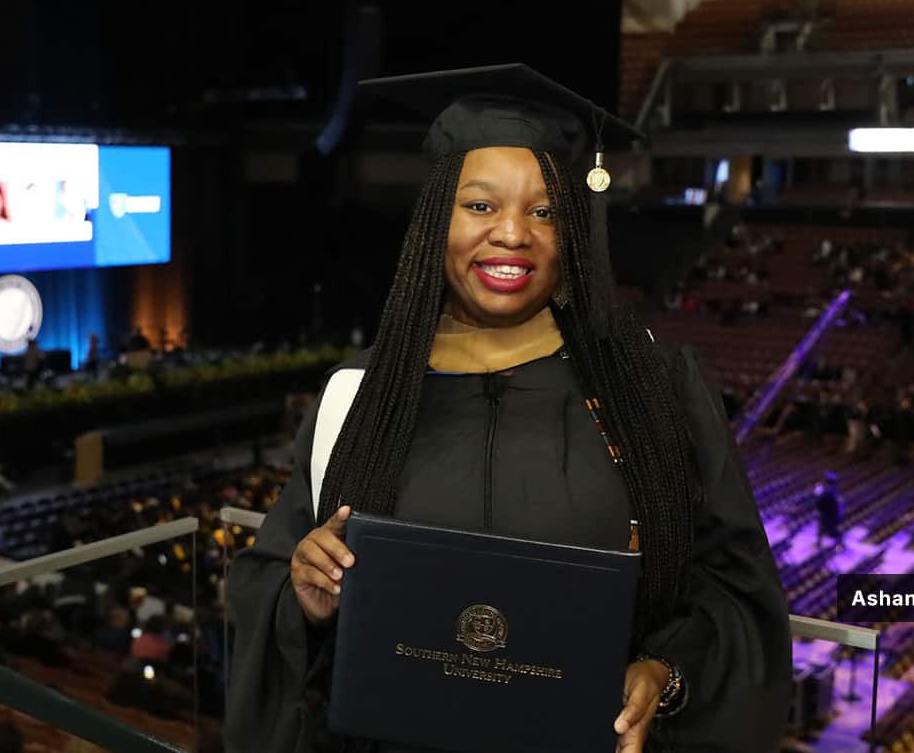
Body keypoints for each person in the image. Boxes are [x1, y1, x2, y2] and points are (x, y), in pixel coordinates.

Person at [226, 65, 790, 753]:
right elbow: (267, 581)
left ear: (574, 229)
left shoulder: (653, 385)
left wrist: (666, 673)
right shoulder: (359, 393)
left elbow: (735, 594)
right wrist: (305, 600)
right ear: (437, 220)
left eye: (545, 210)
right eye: (481, 205)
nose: (513, 234)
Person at [814, 474, 843, 547]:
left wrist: (817, 493)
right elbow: (840, 503)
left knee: (822, 529)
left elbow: (819, 502)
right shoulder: (836, 491)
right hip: (834, 514)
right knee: (835, 530)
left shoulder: (825, 491)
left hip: (826, 514)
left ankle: (819, 543)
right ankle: (839, 544)